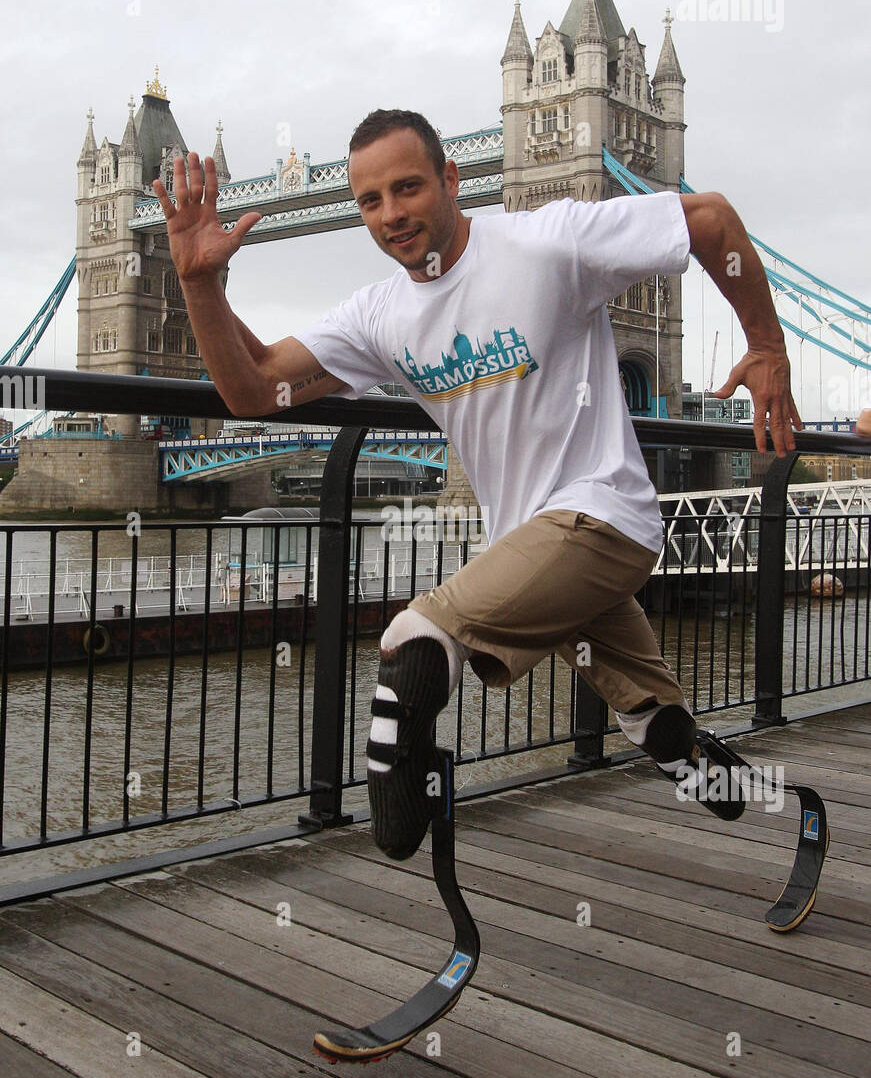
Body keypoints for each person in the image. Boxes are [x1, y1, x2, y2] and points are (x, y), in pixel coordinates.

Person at [154, 109, 801, 860]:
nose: (392, 215)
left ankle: (400, 820)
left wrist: (765, 345)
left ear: (451, 179)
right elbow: (255, 391)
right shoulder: (380, 315)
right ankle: (771, 812)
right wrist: (201, 282)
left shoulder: (545, 242)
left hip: (601, 517)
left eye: (407, 188)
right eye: (370, 201)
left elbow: (711, 222)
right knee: (652, 723)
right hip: (530, 545)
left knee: (413, 642)